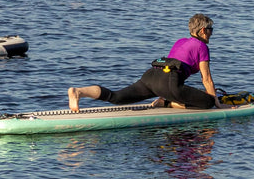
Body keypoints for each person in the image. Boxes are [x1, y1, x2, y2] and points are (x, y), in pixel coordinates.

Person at [68, 14, 220, 112]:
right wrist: (217, 103)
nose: (211, 33)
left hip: (151, 76)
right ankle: (168, 103)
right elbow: (206, 78)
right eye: (210, 30)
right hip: (169, 81)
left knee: (116, 97)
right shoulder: (202, 47)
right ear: (202, 31)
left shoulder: (181, 41)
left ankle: (79, 92)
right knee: (207, 102)